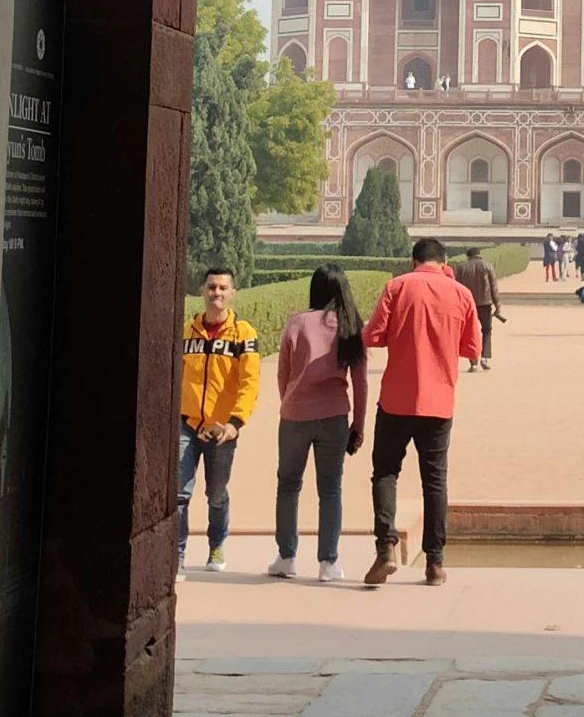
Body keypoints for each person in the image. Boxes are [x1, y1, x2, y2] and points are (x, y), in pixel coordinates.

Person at [361, 237, 480, 587]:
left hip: (397, 398)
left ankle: (385, 548)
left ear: (414, 261)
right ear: (444, 262)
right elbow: (473, 347)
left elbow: (373, 336)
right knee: (435, 482)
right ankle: (435, 563)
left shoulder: (397, 286)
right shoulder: (461, 294)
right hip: (439, 401)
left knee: (385, 473)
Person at [268, 264, 368, 580]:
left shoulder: (297, 323)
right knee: (330, 490)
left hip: (296, 415)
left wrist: (290, 402)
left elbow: (283, 373)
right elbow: (361, 382)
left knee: (288, 486)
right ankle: (328, 563)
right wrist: (359, 425)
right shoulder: (351, 325)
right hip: (334, 415)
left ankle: (286, 557)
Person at [178, 267, 260, 573]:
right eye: (212, 287)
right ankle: (177, 556)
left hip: (223, 429)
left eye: (223, 288)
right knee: (179, 494)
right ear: (202, 291)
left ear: (233, 293)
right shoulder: (187, 331)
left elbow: (249, 382)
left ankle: (216, 545)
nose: (217, 294)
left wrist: (235, 423)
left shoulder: (244, 334)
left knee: (215, 494)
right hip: (187, 423)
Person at [454, 246, 504, 369]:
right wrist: (498, 305)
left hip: (467, 305)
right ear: (479, 254)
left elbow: (457, 288)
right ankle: (485, 358)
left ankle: (473, 361)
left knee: (470, 331)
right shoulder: (487, 266)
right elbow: (494, 287)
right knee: (486, 331)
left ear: (468, 256)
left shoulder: (462, 267)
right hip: (485, 303)